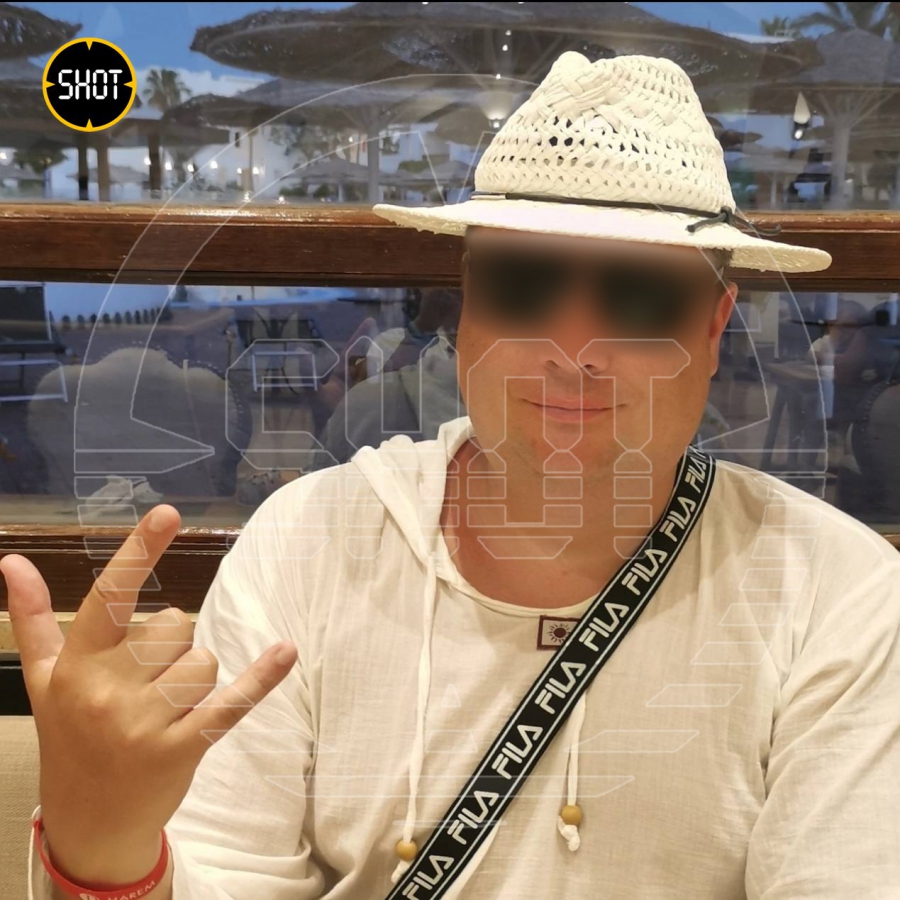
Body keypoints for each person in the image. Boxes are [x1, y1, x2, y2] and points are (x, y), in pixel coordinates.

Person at [5, 51, 900, 900]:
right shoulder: (309, 547)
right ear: (466, 304)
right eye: (523, 284)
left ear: (713, 326)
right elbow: (229, 873)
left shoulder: (836, 596)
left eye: (638, 297)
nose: (573, 345)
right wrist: (104, 844)